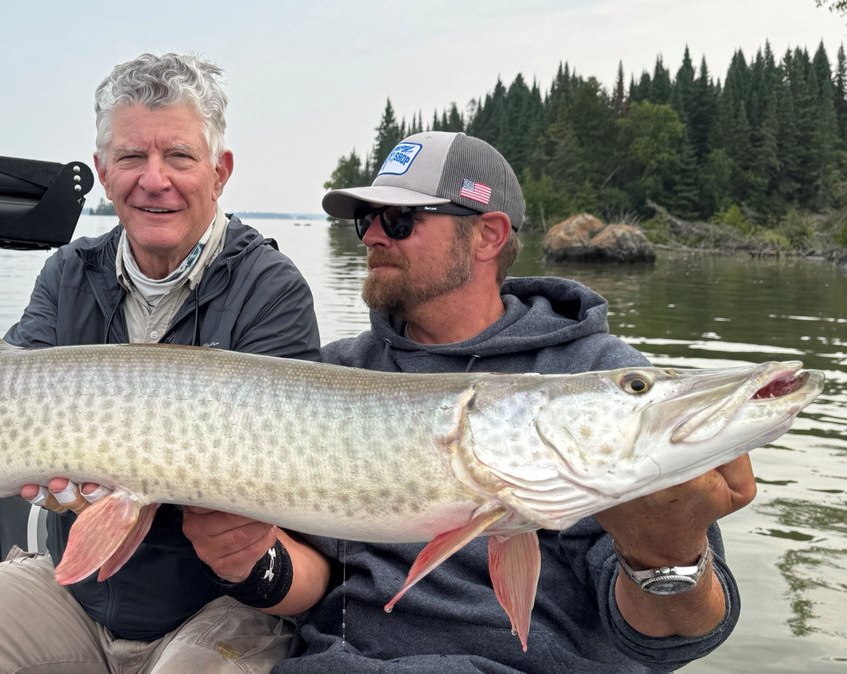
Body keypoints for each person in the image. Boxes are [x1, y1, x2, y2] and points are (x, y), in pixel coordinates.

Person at [0, 52, 320, 673]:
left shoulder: (271, 291)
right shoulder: (69, 273)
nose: (154, 179)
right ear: (102, 171)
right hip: (82, 591)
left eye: (179, 156)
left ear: (220, 171)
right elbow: (4, 390)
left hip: (217, 607)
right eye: (131, 157)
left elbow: (280, 495)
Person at [188, 131, 752, 672]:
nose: (371, 237)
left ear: (487, 235)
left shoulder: (597, 378)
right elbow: (319, 577)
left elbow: (678, 636)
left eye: (400, 219)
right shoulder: (340, 372)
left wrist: (664, 556)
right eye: (367, 218)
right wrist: (250, 562)